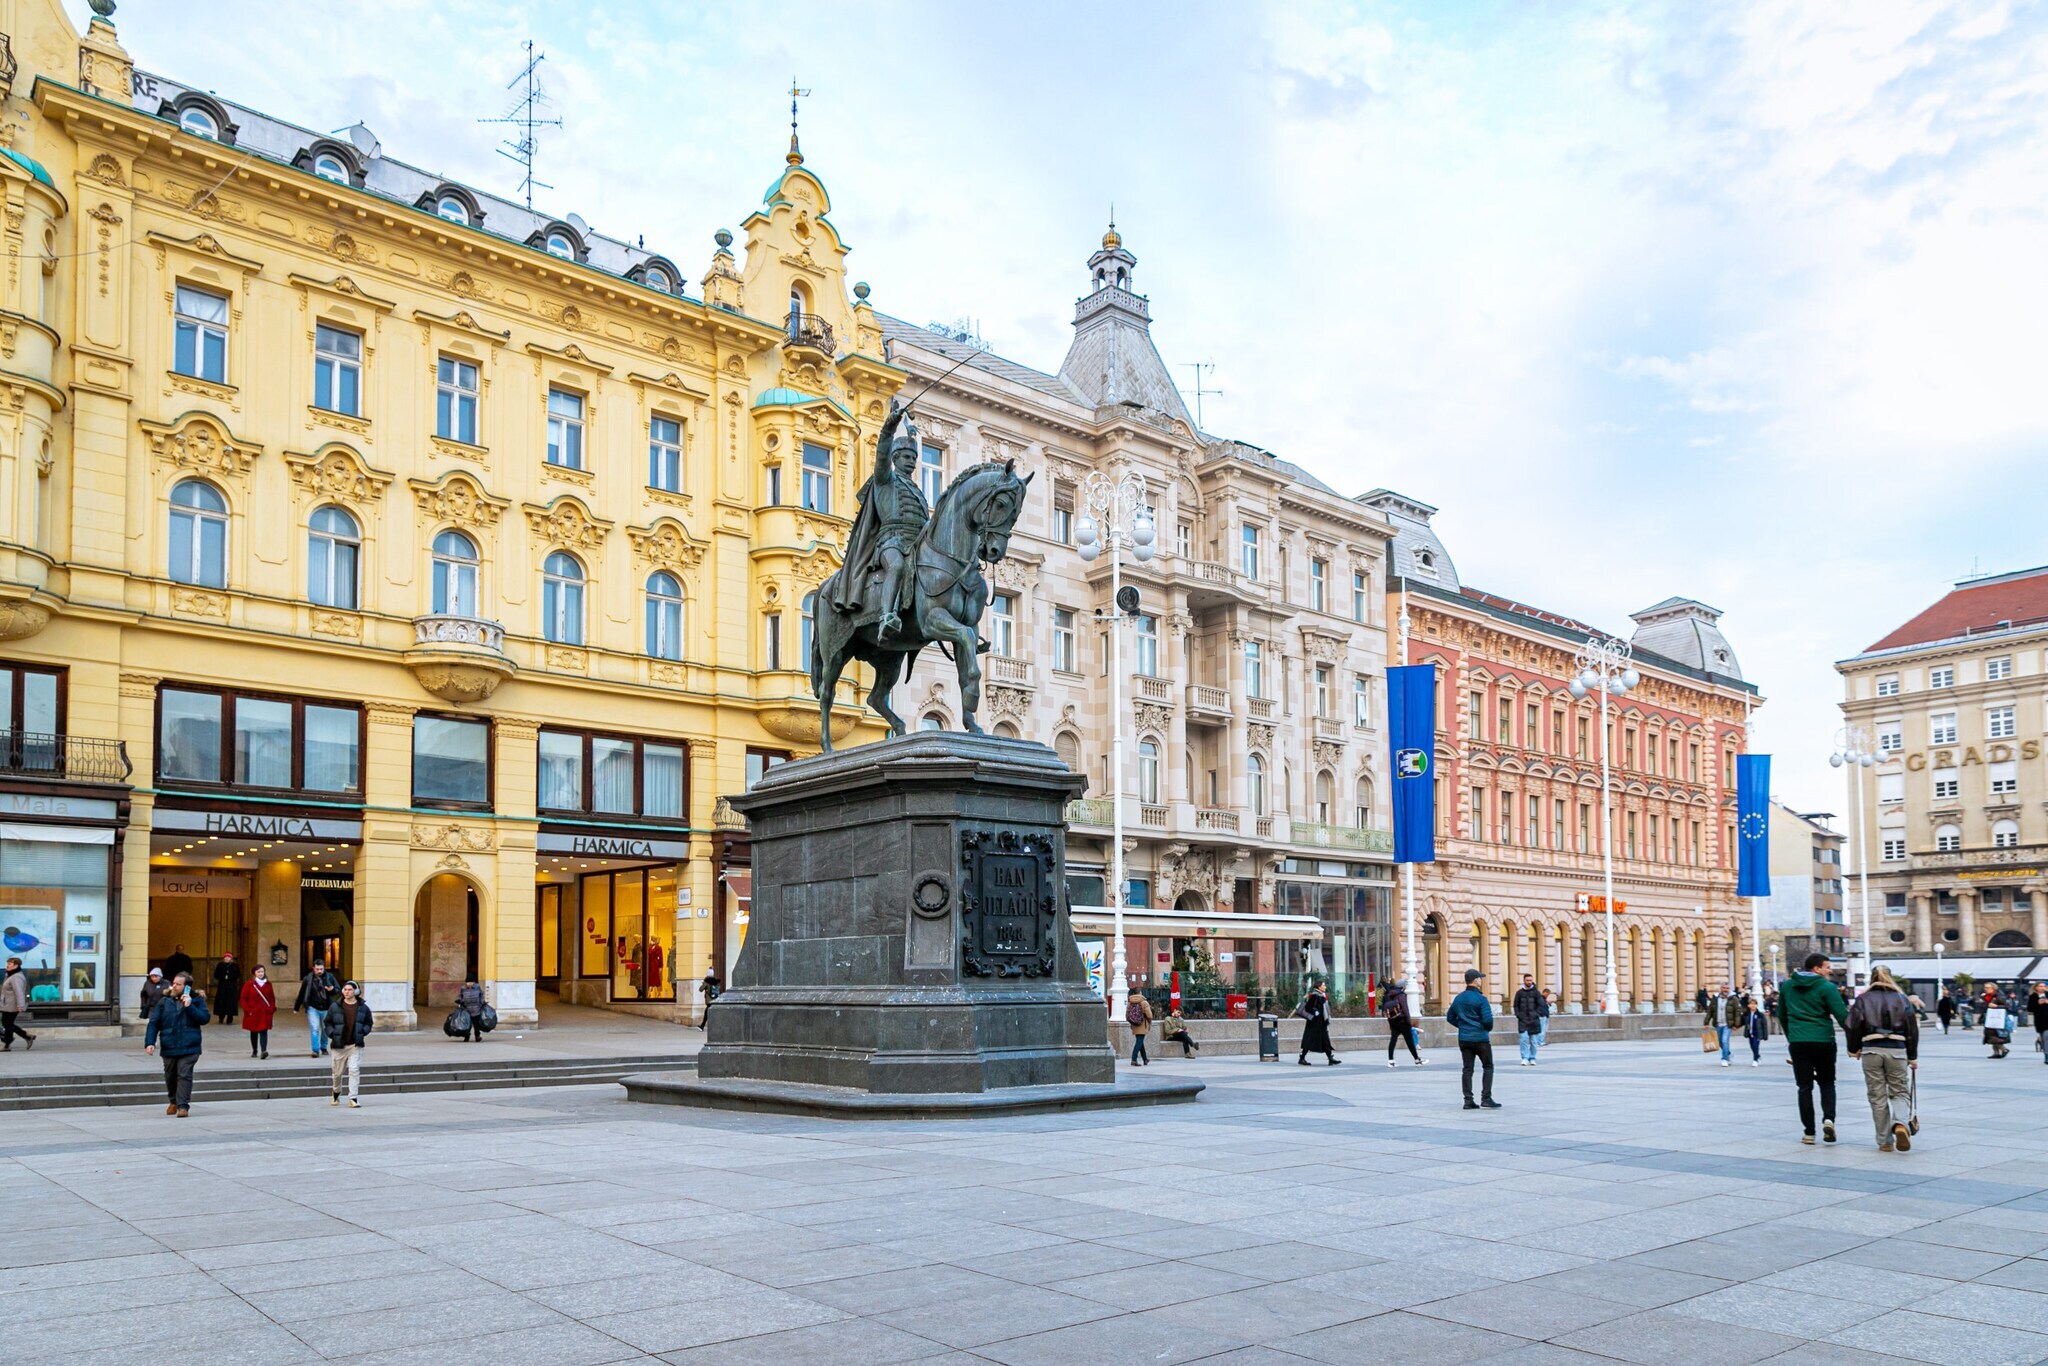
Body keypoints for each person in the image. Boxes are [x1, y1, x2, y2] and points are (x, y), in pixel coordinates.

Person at [1776, 952, 1848, 1145]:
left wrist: (1792, 1036)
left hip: (1799, 1042)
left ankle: (1809, 1132)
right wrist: (1854, 1042)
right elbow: (1842, 1016)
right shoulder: (1827, 987)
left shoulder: (1788, 986)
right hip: (1823, 1041)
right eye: (1827, 966)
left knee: (1804, 1087)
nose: (1830, 970)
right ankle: (1829, 1119)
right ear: (1816, 968)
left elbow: (1781, 1014)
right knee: (1827, 1082)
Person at [1846, 966, 1919, 1152]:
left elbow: (1853, 1025)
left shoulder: (1863, 999)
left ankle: (1885, 1141)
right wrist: (1912, 1056)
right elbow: (1912, 1029)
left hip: (1872, 1050)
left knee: (1877, 1096)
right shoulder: (1901, 999)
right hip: (1897, 1049)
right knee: (1900, 1091)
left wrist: (1854, 1049)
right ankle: (1900, 1124)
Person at [143, 971, 209, 1117]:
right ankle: (173, 1101)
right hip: (169, 1044)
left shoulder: (197, 1000)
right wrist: (150, 1042)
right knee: (170, 1075)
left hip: (190, 1045)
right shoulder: (165, 1001)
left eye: (178, 984)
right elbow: (154, 1023)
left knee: (184, 1074)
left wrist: (190, 1006)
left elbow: (204, 1019)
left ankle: (183, 1106)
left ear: (187, 987)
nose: (174, 986)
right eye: (174, 983)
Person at [1447, 969, 1499, 1109]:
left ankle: (1468, 1100)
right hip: (1480, 1038)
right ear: (1475, 980)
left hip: (1464, 1038)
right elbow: (1488, 1020)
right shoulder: (1481, 999)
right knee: (1488, 1066)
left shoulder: (1459, 998)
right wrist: (1483, 1028)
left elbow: (1450, 1017)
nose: (1481, 980)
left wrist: (1463, 1026)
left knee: (1467, 1069)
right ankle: (1486, 1098)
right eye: (1480, 978)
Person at [323, 980, 373, 1108]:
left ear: (356, 991)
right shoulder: (335, 1006)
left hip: (355, 1045)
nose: (347, 992)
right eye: (345, 989)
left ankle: (353, 1098)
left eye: (350, 989)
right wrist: (332, 1034)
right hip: (339, 1045)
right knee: (337, 1073)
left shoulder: (363, 1008)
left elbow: (369, 1023)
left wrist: (363, 1031)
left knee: (354, 1070)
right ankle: (336, 1092)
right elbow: (327, 1022)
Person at [294, 960, 339, 1057]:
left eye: (321, 969)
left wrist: (332, 990)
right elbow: (302, 993)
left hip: (326, 1007)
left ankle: (323, 1047)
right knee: (314, 1028)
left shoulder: (330, 977)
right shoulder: (308, 979)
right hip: (312, 1007)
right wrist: (296, 1007)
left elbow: (338, 990)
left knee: (325, 1029)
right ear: (313, 968)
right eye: (317, 969)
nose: (319, 971)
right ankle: (315, 1050)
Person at [1296, 982, 1339, 1066]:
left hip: (1322, 1022)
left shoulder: (1322, 995)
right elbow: (1308, 1007)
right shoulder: (1315, 996)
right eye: (1323, 985)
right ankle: (1302, 1058)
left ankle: (1330, 1058)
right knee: (1309, 1041)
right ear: (1319, 987)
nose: (1325, 987)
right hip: (1314, 1023)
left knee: (1325, 1040)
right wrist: (1315, 1011)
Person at [1382, 978, 1423, 1066]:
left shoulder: (1389, 994)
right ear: (1403, 987)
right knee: (1409, 1041)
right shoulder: (1401, 995)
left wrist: (1390, 1021)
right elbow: (1405, 1009)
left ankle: (1391, 1060)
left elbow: (1387, 1009)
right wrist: (1408, 1021)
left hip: (1393, 1021)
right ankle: (1417, 1059)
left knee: (1393, 1040)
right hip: (1402, 1021)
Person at [239, 965, 276, 1059]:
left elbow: (272, 998)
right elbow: (243, 999)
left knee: (264, 1031)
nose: (261, 973)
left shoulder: (268, 984)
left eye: (262, 971)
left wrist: (271, 1009)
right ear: (254, 973)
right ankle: (254, 1050)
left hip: (265, 1012)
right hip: (253, 1012)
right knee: (254, 1032)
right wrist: (248, 1010)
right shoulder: (249, 984)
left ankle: (264, 1050)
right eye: (258, 972)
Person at [0, 957, 34, 1051]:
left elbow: (19, 992)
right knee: (7, 1023)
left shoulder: (17, 977)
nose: (7, 965)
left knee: (7, 1024)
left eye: (10, 964)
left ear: (16, 966)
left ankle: (7, 1044)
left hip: (12, 1004)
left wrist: (20, 1005)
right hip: (7, 1003)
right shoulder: (10, 975)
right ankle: (26, 1036)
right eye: (7, 963)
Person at [1513, 974, 1546, 1066]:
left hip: (1534, 1020)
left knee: (1534, 1041)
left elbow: (1541, 1005)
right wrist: (1518, 1015)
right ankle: (1524, 1058)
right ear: (1524, 981)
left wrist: (1536, 1014)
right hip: (1523, 1020)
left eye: (1530, 980)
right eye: (1527, 980)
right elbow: (1516, 1005)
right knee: (1523, 1039)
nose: (1529, 982)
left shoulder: (1536, 993)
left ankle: (1532, 1057)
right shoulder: (1519, 993)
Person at [1704, 982, 1737, 1067]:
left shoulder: (1733, 998)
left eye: (1727, 988)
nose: (1725, 990)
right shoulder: (1715, 998)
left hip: (1728, 1024)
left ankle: (1724, 1059)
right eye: (1724, 988)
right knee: (1720, 1042)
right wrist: (1706, 1022)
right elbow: (1710, 1010)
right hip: (1718, 1023)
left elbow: (1737, 1012)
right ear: (1721, 988)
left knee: (1725, 1041)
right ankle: (1728, 1054)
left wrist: (1736, 1024)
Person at [210, 951, 242, 1026]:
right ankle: (221, 1016)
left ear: (231, 958)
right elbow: (216, 974)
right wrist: (223, 977)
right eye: (225, 957)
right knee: (221, 1001)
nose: (227, 958)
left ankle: (229, 1018)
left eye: (228, 957)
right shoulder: (220, 965)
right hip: (222, 986)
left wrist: (230, 977)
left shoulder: (234, 965)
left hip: (231, 987)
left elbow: (238, 974)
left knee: (230, 1002)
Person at [1741, 991, 1770, 1066]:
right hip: (1750, 1033)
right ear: (1748, 1005)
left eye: (1754, 1004)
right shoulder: (1746, 1014)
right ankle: (1758, 1056)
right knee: (1752, 1046)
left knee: (1755, 1046)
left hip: (1757, 1033)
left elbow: (1764, 1025)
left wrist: (1765, 1035)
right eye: (1751, 1004)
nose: (1753, 1005)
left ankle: (1755, 1059)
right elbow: (1742, 1022)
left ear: (1757, 1005)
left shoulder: (1760, 1015)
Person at [1983, 985, 2011, 1059]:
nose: (1986, 989)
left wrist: (1996, 1006)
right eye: (1985, 987)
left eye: (1988, 988)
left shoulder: (1998, 996)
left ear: (1993, 989)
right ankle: (1996, 1053)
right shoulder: (1986, 997)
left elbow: (2007, 1006)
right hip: (1989, 1019)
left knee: (1994, 1037)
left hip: (1997, 1020)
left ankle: (2004, 1049)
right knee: (1990, 1036)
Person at [1126, 990, 1152, 1067]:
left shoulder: (1130, 1002)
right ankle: (1134, 1059)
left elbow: (1127, 1015)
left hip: (1134, 1025)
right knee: (1139, 1041)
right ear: (1140, 993)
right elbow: (1149, 1015)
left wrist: (1132, 1021)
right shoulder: (1144, 1002)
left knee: (1140, 1041)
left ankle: (1145, 1059)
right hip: (1142, 1024)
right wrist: (1149, 1022)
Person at [2030, 985, 2048, 1057]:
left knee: (2047, 1036)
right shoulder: (2033, 997)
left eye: (2044, 986)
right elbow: (2030, 1008)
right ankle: (2046, 1054)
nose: (2042, 987)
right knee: (2043, 1038)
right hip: (2040, 1021)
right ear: (2036, 988)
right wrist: (2038, 1003)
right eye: (2040, 986)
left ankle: (2047, 1054)